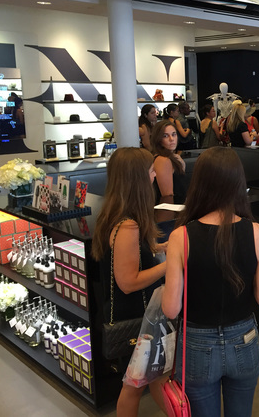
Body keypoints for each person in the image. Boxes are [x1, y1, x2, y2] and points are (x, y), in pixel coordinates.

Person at [162, 146, 259, 417]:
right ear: (238, 183)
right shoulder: (257, 232)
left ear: (199, 184)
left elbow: (171, 309)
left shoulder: (181, 237)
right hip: (244, 340)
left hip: (197, 346)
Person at [91, 147, 167, 417]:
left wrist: (161, 248)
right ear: (138, 178)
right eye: (151, 171)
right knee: (135, 385)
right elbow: (128, 281)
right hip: (137, 316)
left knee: (154, 376)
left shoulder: (118, 217)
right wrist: (168, 265)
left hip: (137, 314)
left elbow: (134, 256)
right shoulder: (128, 226)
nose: (155, 175)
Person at [151, 120, 187, 205]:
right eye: (165, 136)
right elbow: (168, 197)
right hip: (172, 208)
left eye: (174, 134)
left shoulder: (172, 158)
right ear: (158, 139)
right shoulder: (163, 160)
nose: (171, 139)